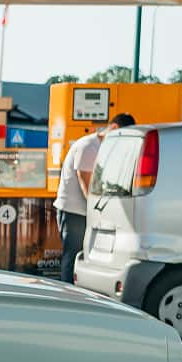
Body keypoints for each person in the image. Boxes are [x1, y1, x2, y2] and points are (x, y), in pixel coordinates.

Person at [54, 112, 135, 283]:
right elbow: (88, 187)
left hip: (88, 212)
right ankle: (69, 295)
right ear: (113, 128)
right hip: (74, 211)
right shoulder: (88, 146)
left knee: (85, 258)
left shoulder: (106, 149)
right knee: (73, 256)